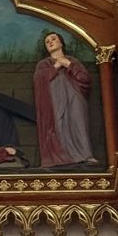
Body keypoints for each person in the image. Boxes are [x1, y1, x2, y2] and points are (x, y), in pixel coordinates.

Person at [33, 31, 98, 167]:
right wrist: (56, 66)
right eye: (47, 42)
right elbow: (39, 80)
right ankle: (61, 158)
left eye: (53, 39)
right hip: (54, 100)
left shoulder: (73, 61)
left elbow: (85, 78)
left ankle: (85, 155)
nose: (50, 42)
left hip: (75, 97)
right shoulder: (43, 64)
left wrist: (68, 64)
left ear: (61, 43)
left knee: (78, 123)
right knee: (58, 125)